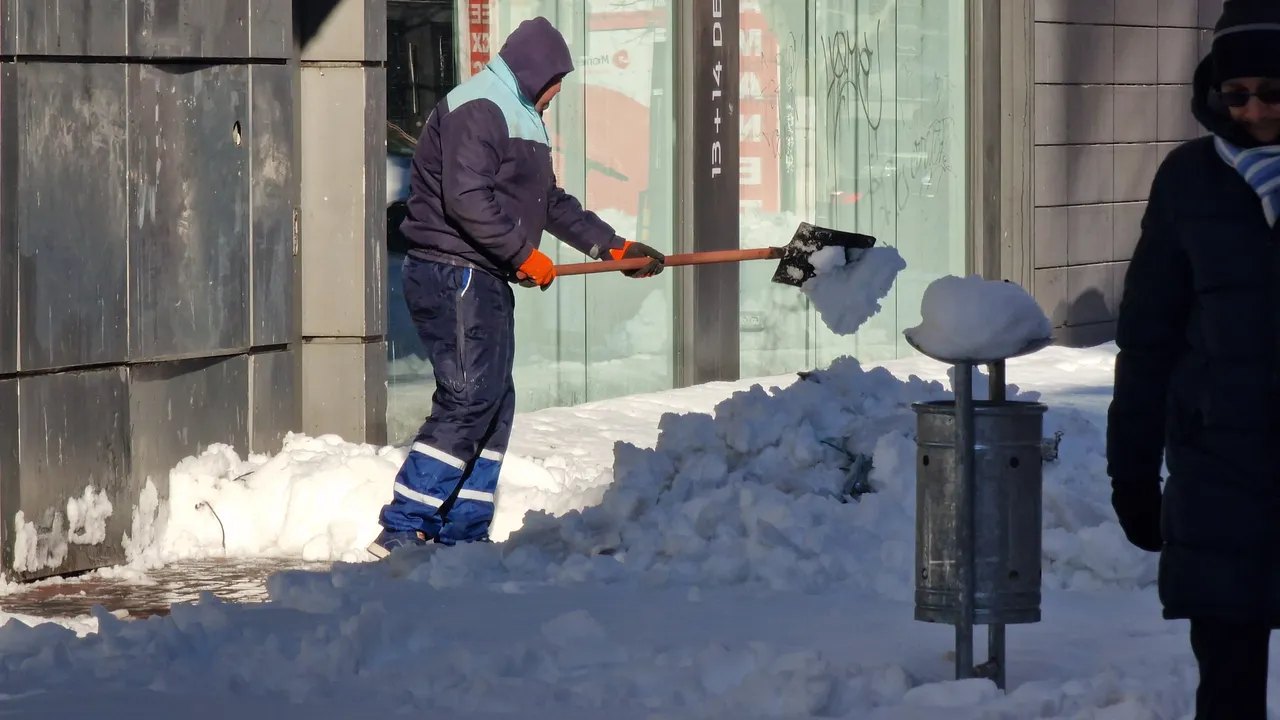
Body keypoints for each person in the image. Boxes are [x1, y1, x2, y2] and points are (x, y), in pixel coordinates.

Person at [369, 16, 666, 557]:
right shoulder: (480, 107)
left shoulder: (524, 115)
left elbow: (546, 202)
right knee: (468, 397)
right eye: (556, 80)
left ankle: (461, 530)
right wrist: (521, 254)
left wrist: (611, 247)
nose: (557, 93)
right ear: (535, 70)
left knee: (492, 401)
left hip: (482, 274)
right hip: (453, 270)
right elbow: (465, 198)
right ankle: (404, 526)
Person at [1107, 2, 1280, 717]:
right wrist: (1132, 474)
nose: (1254, 111)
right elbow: (1147, 342)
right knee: (1229, 690)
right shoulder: (1188, 180)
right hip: (1220, 477)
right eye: (1235, 95)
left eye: (1272, 92)